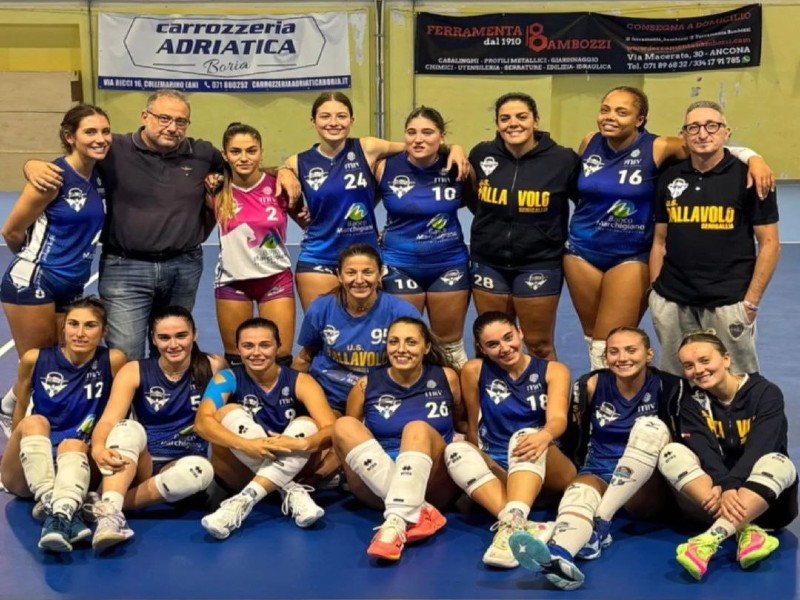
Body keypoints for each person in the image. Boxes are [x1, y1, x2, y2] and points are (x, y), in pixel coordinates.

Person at [22, 89, 301, 361]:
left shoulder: (202, 153)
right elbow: (74, 161)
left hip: (183, 268)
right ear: (145, 116)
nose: (172, 127)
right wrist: (32, 164)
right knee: (126, 354)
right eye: (164, 118)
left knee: (172, 351)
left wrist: (285, 171)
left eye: (180, 121)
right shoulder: (114, 149)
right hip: (125, 270)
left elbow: (244, 167)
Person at [565, 88, 775, 371]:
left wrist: (752, 157)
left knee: (610, 340)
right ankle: (604, 393)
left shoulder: (660, 146)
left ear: (640, 119)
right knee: (594, 339)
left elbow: (704, 144)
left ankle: (609, 391)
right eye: (605, 109)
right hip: (582, 251)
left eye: (621, 111)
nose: (610, 117)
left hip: (629, 255)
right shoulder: (589, 141)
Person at [508, 327, 686, 590]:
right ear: (605, 357)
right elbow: (574, 433)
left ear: (649, 354)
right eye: (614, 352)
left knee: (650, 427)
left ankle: (601, 521)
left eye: (631, 350)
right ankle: (559, 555)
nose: (622, 358)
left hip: (645, 483)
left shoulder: (669, 386)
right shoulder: (590, 385)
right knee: (578, 493)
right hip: (599, 468)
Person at [281, 91, 469, 311]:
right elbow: (281, 187)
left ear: (351, 120)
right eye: (325, 116)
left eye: (341, 116)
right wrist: (284, 171)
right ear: (313, 121)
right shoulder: (297, 162)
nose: (333, 122)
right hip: (319, 256)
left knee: (368, 325)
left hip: (366, 257)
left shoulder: (368, 148)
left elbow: (415, 145)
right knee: (324, 326)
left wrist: (455, 148)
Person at [649, 100, 780, 376]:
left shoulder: (751, 178)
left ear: (726, 132)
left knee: (735, 380)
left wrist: (750, 303)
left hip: (729, 301)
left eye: (712, 126)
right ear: (683, 135)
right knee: (676, 378)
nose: (702, 133)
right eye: (693, 127)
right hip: (673, 300)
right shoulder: (669, 177)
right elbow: (659, 240)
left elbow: (770, 244)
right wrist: (655, 292)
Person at [658, 332, 797, 580]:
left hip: (767, 506)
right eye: (688, 365)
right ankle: (745, 530)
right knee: (671, 453)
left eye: (704, 360)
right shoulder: (690, 401)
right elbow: (703, 449)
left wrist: (732, 484)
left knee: (779, 462)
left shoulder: (765, 393)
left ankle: (708, 540)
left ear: (726, 359)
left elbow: (762, 446)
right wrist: (724, 483)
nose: (698, 370)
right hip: (716, 498)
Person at [1, 104, 111, 416]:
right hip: (35, 282)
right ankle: (20, 427)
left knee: (63, 359)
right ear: (69, 137)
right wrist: (34, 265)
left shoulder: (98, 175)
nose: (100, 138)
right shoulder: (52, 179)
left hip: (71, 286)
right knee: (39, 365)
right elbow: (11, 231)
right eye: (90, 131)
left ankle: (7, 407)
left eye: (105, 131)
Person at [87, 306, 226, 553]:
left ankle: (107, 507)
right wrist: (98, 448)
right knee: (127, 427)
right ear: (153, 339)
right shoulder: (134, 370)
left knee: (200, 470)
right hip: (142, 463)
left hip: (184, 463)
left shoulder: (214, 367)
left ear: (194, 334)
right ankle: (109, 517)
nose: (173, 344)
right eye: (164, 337)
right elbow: (109, 420)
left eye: (181, 336)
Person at [444, 311, 574, 568]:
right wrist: (475, 458)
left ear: (520, 333)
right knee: (456, 450)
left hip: (545, 462)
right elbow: (474, 425)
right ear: (482, 348)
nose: (504, 348)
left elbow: (558, 419)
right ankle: (518, 523)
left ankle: (512, 523)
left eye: (508, 337)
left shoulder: (554, 370)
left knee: (524, 435)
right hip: (501, 466)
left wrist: (544, 435)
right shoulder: (474, 370)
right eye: (493, 344)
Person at [0, 297, 126, 552]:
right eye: (73, 324)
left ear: (104, 331)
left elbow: (122, 411)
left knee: (74, 443)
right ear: (63, 327)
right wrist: (19, 451)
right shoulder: (35, 359)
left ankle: (57, 514)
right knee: (34, 421)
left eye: (90, 325)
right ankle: (59, 505)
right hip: (34, 466)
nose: (80, 333)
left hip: (80, 461)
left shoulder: (112, 360)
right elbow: (20, 410)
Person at [332, 317, 462, 561]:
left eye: (411, 342)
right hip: (377, 486)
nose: (401, 349)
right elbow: (352, 441)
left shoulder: (447, 378)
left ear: (426, 347)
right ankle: (415, 512)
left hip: (433, 482)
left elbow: (462, 422)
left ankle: (395, 523)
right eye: (394, 342)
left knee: (416, 429)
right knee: (343, 425)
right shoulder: (365, 385)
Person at [195, 318, 337, 538]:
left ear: (278, 346)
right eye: (248, 346)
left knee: (307, 424)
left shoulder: (301, 381)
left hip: (292, 465)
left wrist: (302, 443)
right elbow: (201, 423)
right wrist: (246, 445)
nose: (256, 353)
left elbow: (332, 429)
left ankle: (244, 500)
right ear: (238, 349)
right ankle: (289, 489)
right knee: (226, 412)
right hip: (240, 471)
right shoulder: (227, 378)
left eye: (265, 345)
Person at [467, 92, 580, 360]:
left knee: (538, 344)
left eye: (521, 117)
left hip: (539, 263)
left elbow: (587, 203)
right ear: (497, 124)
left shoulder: (563, 160)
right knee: (492, 344)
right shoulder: (481, 154)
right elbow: (475, 200)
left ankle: (547, 389)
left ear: (535, 121)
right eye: (505, 118)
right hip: (488, 262)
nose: (513, 124)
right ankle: (494, 390)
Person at [377, 106, 471, 369]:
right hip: (399, 264)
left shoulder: (458, 167)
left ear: (441, 136)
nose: (418, 139)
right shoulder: (384, 167)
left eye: (427, 132)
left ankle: (455, 395)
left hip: (449, 264)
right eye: (411, 132)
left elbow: (476, 205)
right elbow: (360, 205)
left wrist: (457, 149)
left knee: (450, 348)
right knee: (403, 343)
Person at [292, 243, 420, 415]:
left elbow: (418, 363)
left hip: (381, 400)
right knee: (314, 430)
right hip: (329, 400)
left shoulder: (402, 312)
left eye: (367, 272)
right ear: (339, 275)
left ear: (380, 274)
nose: (359, 280)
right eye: (351, 273)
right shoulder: (320, 309)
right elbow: (305, 357)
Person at [209, 123, 295, 368]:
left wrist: (285, 170)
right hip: (232, 282)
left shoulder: (279, 185)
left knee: (280, 357)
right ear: (225, 155)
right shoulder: (215, 189)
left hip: (275, 279)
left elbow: (310, 221)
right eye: (236, 151)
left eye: (251, 150)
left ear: (261, 152)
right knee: (238, 358)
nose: (244, 158)